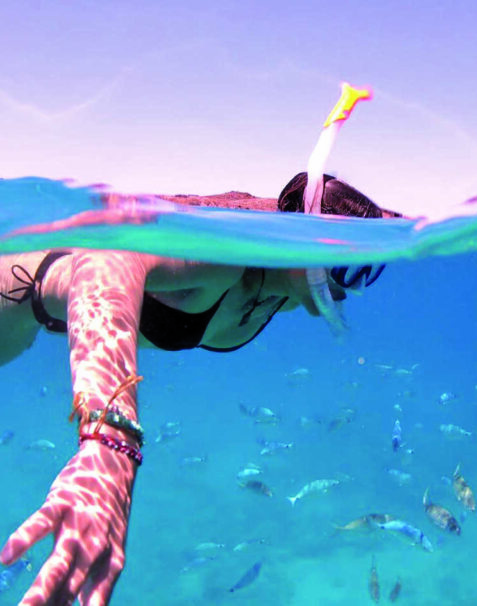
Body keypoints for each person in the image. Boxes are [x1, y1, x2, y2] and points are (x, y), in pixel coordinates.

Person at [0, 172, 391, 605]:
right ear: (303, 244)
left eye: (364, 272)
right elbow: (106, 262)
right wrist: (108, 443)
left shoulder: (284, 288)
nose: (346, 290)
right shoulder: (226, 262)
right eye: (345, 267)